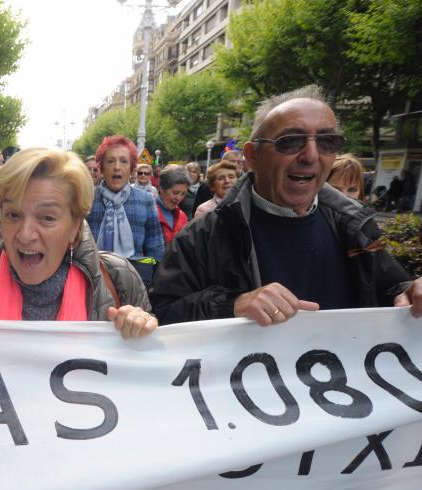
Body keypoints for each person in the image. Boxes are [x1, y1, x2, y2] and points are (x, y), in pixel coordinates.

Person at [150, 85, 422, 325]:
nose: (311, 155)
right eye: (290, 141)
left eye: (327, 141)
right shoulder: (204, 235)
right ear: (252, 156)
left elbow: (392, 287)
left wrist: (410, 291)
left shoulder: (354, 224)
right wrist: (233, 304)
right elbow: (163, 314)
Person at [0, 147, 157, 339]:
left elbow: (146, 385)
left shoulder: (120, 280)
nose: (25, 235)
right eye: (13, 215)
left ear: (75, 226)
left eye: (47, 218)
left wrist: (140, 331)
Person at [86, 135, 164, 261]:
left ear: (131, 168)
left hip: (134, 277)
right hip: (93, 275)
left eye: (123, 161)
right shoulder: (87, 198)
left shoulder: (146, 200)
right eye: (110, 161)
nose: (117, 167)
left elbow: (155, 248)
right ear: (101, 168)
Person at [155, 164, 190, 244]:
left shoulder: (182, 216)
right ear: (161, 188)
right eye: (175, 193)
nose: (179, 198)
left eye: (183, 194)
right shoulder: (148, 213)